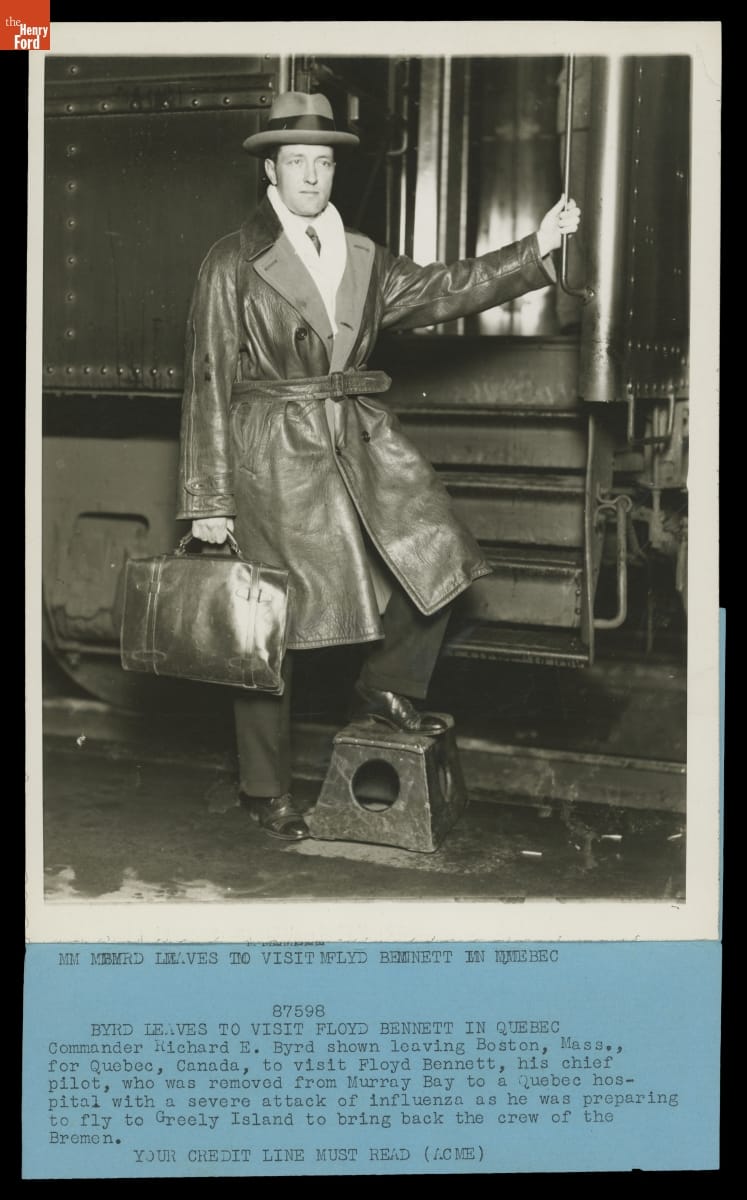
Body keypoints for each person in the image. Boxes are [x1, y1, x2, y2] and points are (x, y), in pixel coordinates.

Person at [176, 91, 581, 842]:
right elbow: (206, 379)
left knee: (439, 553)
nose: (311, 176)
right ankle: (266, 789)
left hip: (356, 437)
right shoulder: (231, 261)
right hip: (274, 456)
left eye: (323, 163)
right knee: (270, 628)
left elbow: (442, 289)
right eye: (296, 162)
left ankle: (384, 687)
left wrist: (535, 248)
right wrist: (209, 498)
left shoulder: (361, 255)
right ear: (270, 171)